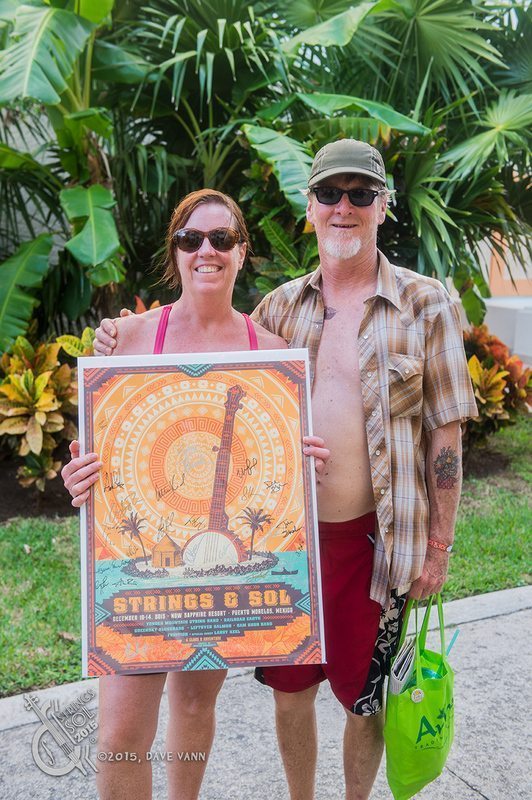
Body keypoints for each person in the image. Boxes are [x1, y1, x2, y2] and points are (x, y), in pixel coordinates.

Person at [93, 140, 478, 800]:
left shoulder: (427, 303)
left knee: (365, 699)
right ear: (310, 208)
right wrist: (120, 344)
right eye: (329, 193)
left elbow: (447, 431)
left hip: (375, 542)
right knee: (290, 694)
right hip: (285, 548)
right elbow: (204, 358)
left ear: (383, 205)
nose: (344, 207)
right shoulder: (279, 309)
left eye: (361, 194)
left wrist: (438, 547)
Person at [61, 188, 329, 800]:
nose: (206, 250)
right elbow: (101, 453)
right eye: (190, 239)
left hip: (213, 579)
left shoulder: (271, 355)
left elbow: (279, 471)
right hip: (140, 579)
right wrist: (79, 477)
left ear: (242, 252)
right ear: (175, 252)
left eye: (221, 238)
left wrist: (305, 467)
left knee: (192, 705)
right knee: (121, 734)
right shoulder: (127, 339)